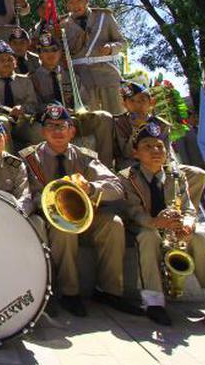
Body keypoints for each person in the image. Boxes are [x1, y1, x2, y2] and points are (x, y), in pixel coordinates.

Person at [120, 117, 205, 331]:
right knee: (148, 237)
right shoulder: (127, 177)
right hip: (146, 228)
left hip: (173, 230)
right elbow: (133, 210)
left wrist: (189, 223)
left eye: (159, 146)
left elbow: (189, 206)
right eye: (147, 147)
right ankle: (153, 302)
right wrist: (155, 221)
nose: (155, 151)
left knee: (201, 238)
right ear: (135, 153)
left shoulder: (177, 176)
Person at [20, 103, 139, 318]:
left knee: (114, 224)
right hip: (51, 217)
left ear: (72, 131)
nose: (57, 131)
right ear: (43, 131)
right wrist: (51, 202)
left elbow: (117, 187)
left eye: (62, 126)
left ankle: (109, 290)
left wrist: (91, 188)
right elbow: (28, 194)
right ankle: (69, 292)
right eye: (51, 126)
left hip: (86, 215)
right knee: (62, 228)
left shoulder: (85, 157)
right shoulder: (30, 159)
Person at [59, 0, 126, 114]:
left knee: (117, 115)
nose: (76, 5)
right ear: (67, 6)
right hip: (82, 80)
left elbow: (122, 42)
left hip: (107, 75)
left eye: (79, 0)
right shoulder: (62, 25)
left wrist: (111, 48)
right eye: (71, 2)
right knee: (91, 121)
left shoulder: (104, 17)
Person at [0, 40, 41, 148]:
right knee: (2, 122)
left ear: (15, 63)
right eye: (2, 60)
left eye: (10, 60)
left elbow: (34, 105)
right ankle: (8, 160)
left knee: (39, 130)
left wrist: (22, 108)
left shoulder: (25, 81)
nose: (6, 63)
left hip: (22, 123)